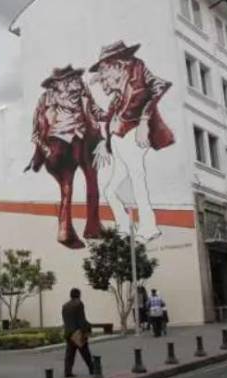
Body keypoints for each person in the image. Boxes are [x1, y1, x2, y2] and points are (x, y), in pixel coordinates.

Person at [90, 40, 174, 242]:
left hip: (132, 135)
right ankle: (125, 226)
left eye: (104, 71)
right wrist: (104, 140)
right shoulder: (119, 95)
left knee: (137, 179)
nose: (103, 79)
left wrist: (144, 121)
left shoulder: (139, 72)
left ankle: (148, 227)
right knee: (110, 190)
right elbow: (108, 115)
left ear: (118, 65)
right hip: (119, 138)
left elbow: (160, 86)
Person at [25, 65, 105, 249]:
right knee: (67, 189)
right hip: (59, 144)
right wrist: (45, 151)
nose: (75, 83)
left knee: (93, 183)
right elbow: (36, 132)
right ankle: (65, 232)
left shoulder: (83, 92)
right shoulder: (45, 99)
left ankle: (93, 227)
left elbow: (95, 111)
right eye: (69, 80)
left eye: (75, 78)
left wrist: (111, 115)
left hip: (85, 140)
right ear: (57, 85)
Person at [62, 288, 93, 378]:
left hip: (68, 332)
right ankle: (93, 369)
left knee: (70, 354)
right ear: (78, 295)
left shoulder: (65, 306)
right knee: (85, 352)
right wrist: (87, 330)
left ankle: (67, 371)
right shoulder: (79, 304)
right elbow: (81, 320)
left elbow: (65, 320)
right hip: (77, 332)